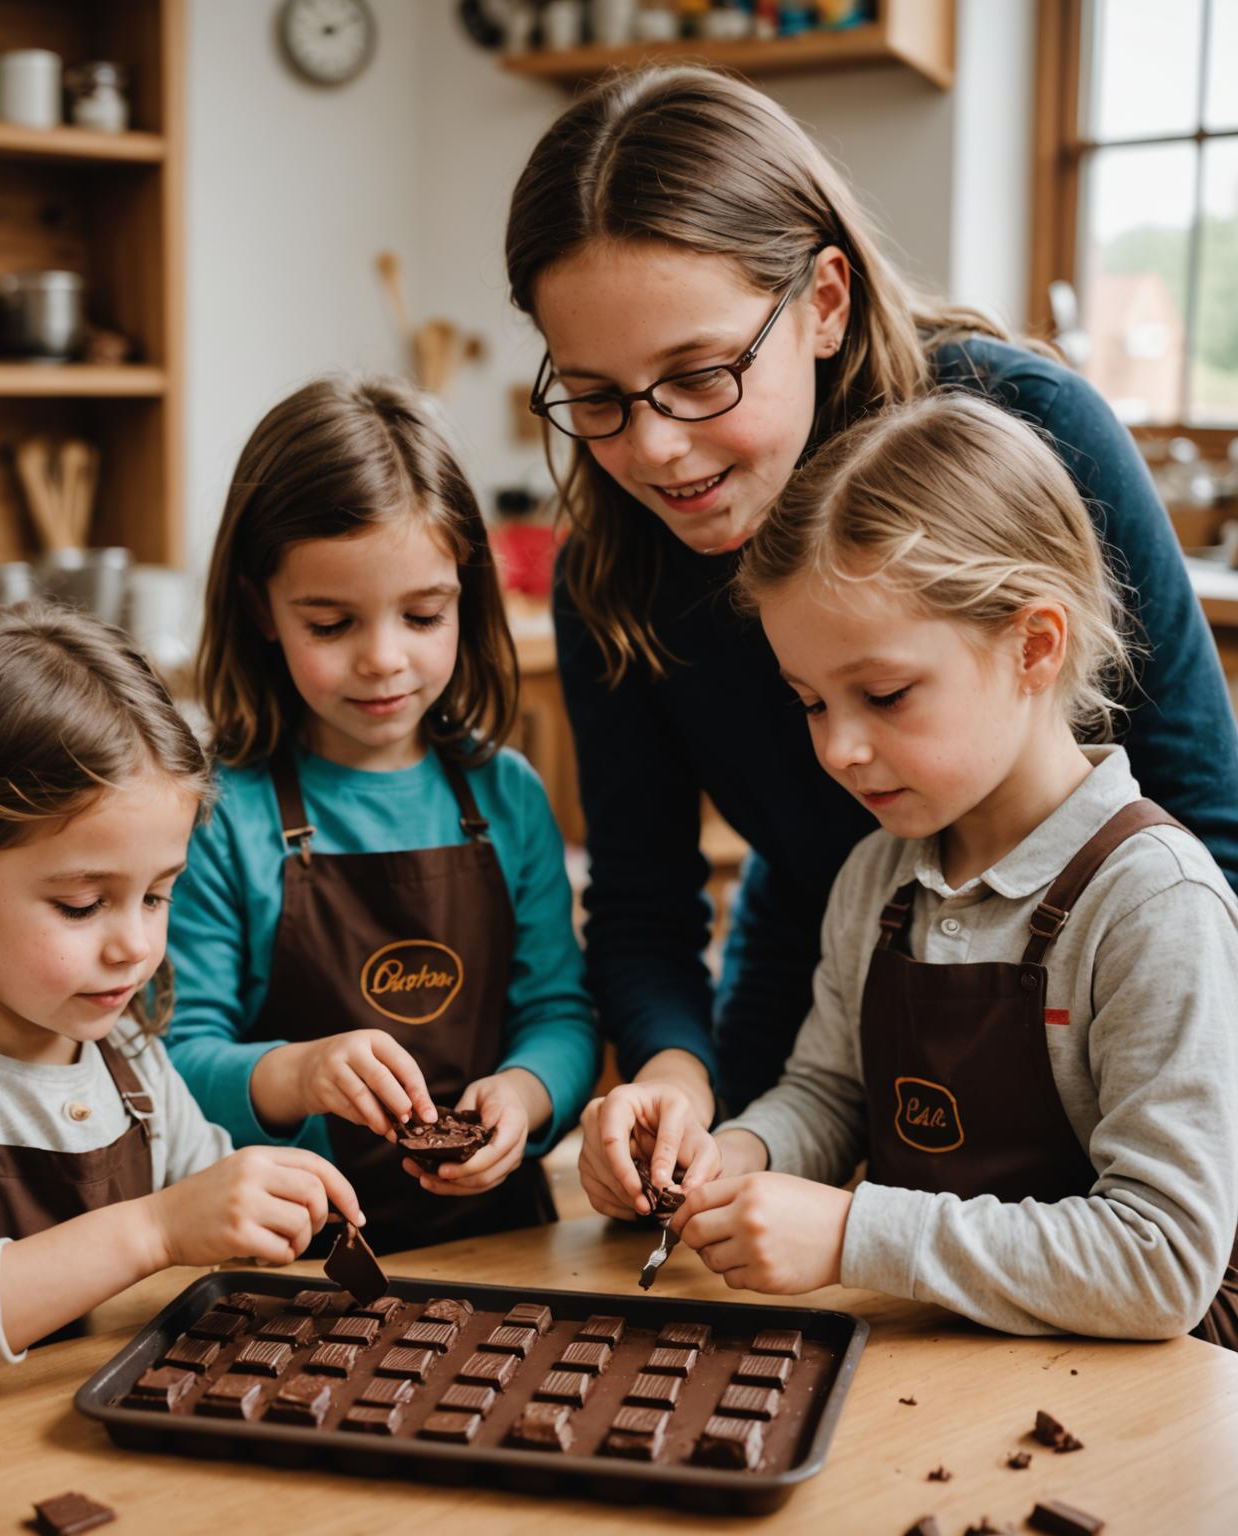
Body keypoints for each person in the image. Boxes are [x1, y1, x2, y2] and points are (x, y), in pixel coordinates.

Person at [504, 66, 1238, 1209]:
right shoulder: (610, 567)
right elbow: (647, 902)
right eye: (595, 397)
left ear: (825, 303)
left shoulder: (1029, 432)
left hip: (1094, 1018)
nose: (650, 450)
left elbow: (1209, 825)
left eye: (698, 376)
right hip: (830, 981)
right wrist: (679, 1082)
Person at [613, 395, 1238, 1342]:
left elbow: (1161, 1263)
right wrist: (732, 1153)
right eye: (812, 703)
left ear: (1033, 646)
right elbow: (828, 1096)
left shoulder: (1154, 902)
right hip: (941, 1366)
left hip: (1140, 1399)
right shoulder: (875, 878)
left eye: (885, 694)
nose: (839, 751)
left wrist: (857, 1233)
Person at [0, 604, 362, 1410]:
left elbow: (204, 1236)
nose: (134, 946)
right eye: (83, 904)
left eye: (158, 895)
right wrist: (151, 1230)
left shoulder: (133, 1064)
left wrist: (259, 1206)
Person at [165, 375, 599, 1257]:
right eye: (331, 623)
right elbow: (173, 1061)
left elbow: (560, 1015)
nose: (384, 660)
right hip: (293, 1259)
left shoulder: (506, 795)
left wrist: (522, 1096)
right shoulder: (222, 815)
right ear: (261, 609)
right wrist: (296, 1073)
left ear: (465, 596)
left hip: (501, 1241)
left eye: (424, 614)